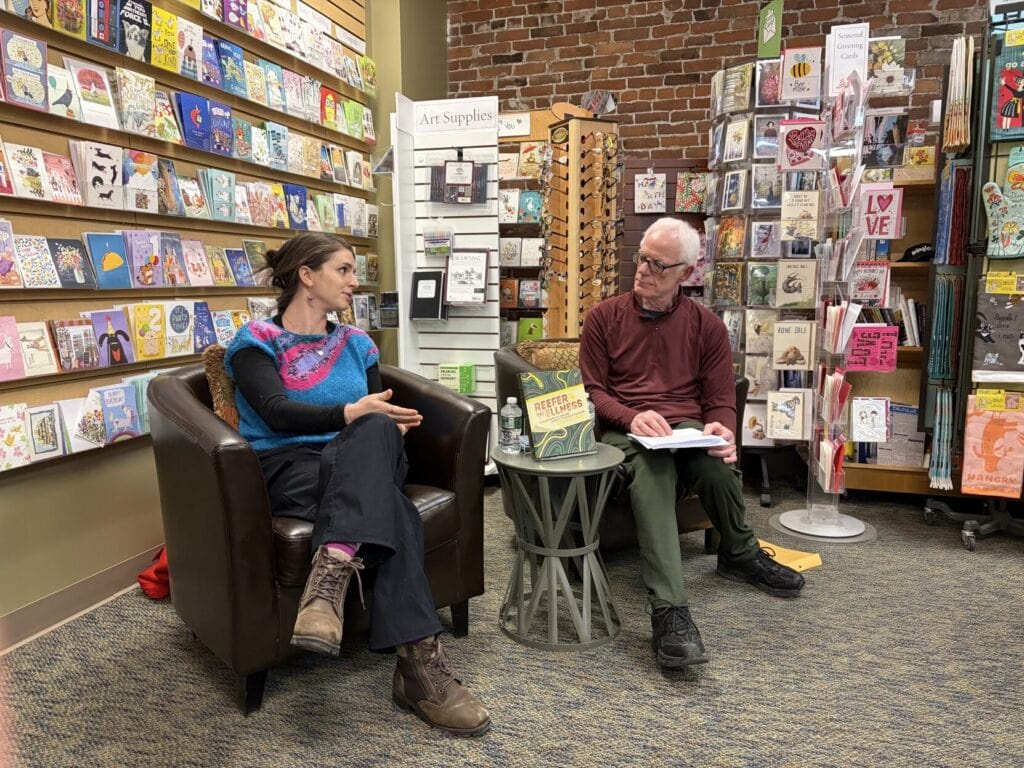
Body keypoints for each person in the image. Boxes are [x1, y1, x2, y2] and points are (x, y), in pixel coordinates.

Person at [224, 233, 490, 736]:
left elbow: (374, 417)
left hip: (363, 456)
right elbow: (276, 414)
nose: (354, 281)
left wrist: (380, 421)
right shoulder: (255, 341)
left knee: (372, 431)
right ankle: (418, 669)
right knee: (394, 508)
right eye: (343, 270)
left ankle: (331, 573)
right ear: (307, 275)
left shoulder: (358, 343)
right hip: (290, 464)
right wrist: (352, 413)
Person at [579, 217, 805, 670]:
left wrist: (721, 429)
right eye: (641, 258)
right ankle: (670, 610)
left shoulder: (707, 326)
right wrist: (631, 416)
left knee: (718, 468)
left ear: (686, 271)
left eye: (658, 265)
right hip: (626, 429)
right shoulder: (603, 318)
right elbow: (594, 390)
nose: (643, 270)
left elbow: (721, 399)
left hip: (685, 428)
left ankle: (738, 554)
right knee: (653, 471)